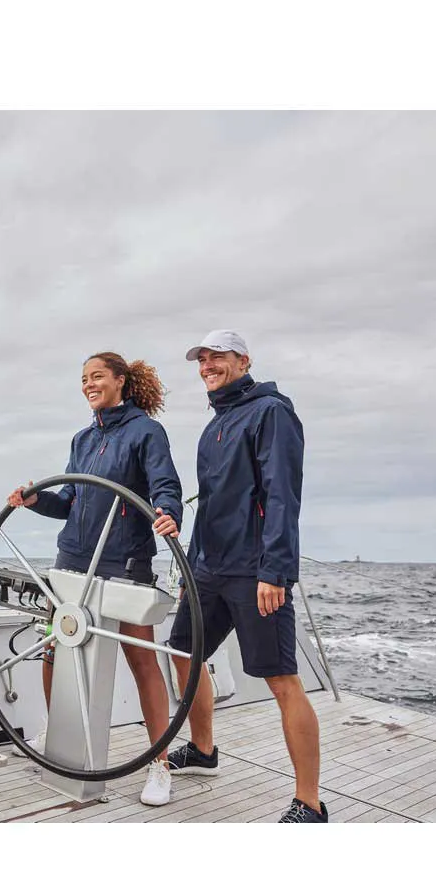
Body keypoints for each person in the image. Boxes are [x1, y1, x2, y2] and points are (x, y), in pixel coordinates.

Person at [8, 351, 183, 806]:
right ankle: (58, 741)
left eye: (97, 376)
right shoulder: (82, 439)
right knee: (55, 650)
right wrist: (36, 501)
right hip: (73, 561)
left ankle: (159, 764)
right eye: (84, 378)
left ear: (120, 380)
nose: (88, 384)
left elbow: (164, 485)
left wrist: (168, 512)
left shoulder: (146, 432)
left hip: (124, 562)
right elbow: (69, 501)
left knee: (142, 660)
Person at [167, 329, 327, 823]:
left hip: (256, 571)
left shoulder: (271, 412)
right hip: (208, 569)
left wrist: (275, 571)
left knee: (281, 679)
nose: (207, 366)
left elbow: (282, 495)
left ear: (243, 361)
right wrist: (190, 568)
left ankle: (310, 803)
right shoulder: (214, 425)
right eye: (202, 359)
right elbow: (209, 505)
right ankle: (203, 750)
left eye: (217, 357)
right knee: (183, 652)